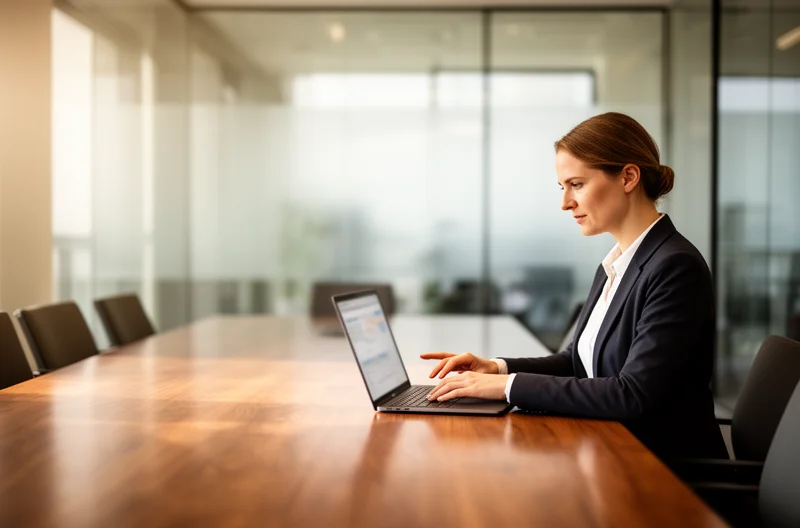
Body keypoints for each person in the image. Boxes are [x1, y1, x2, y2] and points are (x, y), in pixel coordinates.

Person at [421, 112, 728, 463]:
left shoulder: (674, 267)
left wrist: (506, 388)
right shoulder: (617, 263)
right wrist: (498, 368)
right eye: (563, 187)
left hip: (661, 471)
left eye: (577, 184)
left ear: (628, 177)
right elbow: (576, 361)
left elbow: (632, 394)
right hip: (611, 450)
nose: (565, 202)